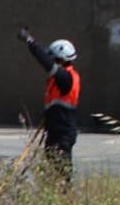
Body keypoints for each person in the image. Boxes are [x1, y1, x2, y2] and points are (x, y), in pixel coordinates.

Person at [18, 26, 81, 181]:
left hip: (63, 133)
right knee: (53, 171)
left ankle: (64, 198)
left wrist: (30, 41)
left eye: (54, 58)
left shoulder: (66, 78)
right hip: (55, 131)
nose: (51, 61)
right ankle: (57, 195)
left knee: (61, 173)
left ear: (61, 59)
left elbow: (45, 61)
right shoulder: (60, 79)